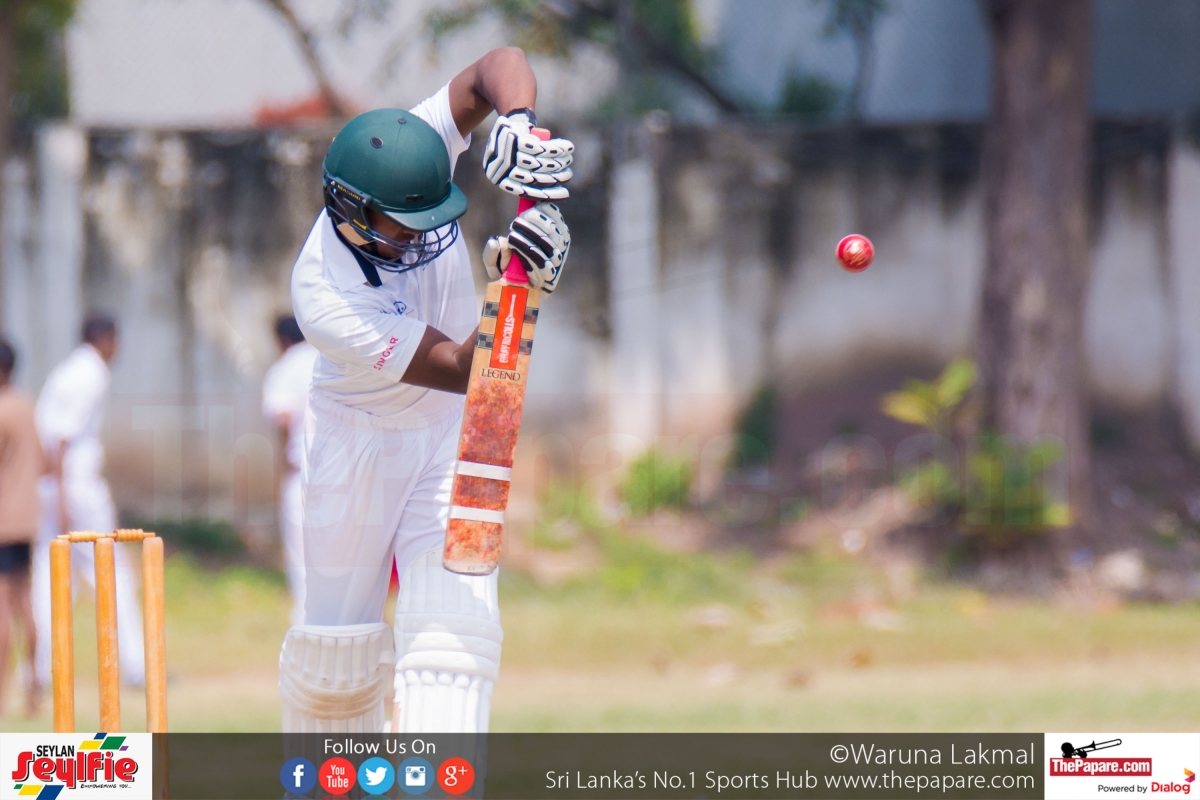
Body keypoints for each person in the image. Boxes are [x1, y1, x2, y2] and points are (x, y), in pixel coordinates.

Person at [279, 46, 572, 733]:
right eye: (402, 230)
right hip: (356, 446)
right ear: (351, 211)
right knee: (336, 661)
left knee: (455, 640)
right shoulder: (324, 295)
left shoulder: (412, 151)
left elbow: (499, 63)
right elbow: (465, 365)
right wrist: (518, 287)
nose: (424, 239)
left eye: (432, 220)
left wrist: (517, 122)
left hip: (447, 435)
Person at [31, 316, 145, 689]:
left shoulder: (68, 370)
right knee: (111, 570)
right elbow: (61, 438)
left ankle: (38, 670)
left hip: (54, 484)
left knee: (51, 577)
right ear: (106, 339)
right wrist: (64, 495)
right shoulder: (90, 373)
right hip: (74, 484)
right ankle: (135, 665)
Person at [262, 315, 318, 625]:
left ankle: (307, 625)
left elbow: (282, 416)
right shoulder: (327, 358)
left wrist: (283, 458)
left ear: (281, 339)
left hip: (302, 473)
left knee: (302, 560)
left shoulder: (286, 367)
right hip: (344, 473)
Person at [0, 340, 46, 716]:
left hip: (3, 521)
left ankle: (1, 694)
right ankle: (33, 690)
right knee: (26, 606)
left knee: (2, 609)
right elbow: (44, 461)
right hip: (28, 519)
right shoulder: (28, 407)